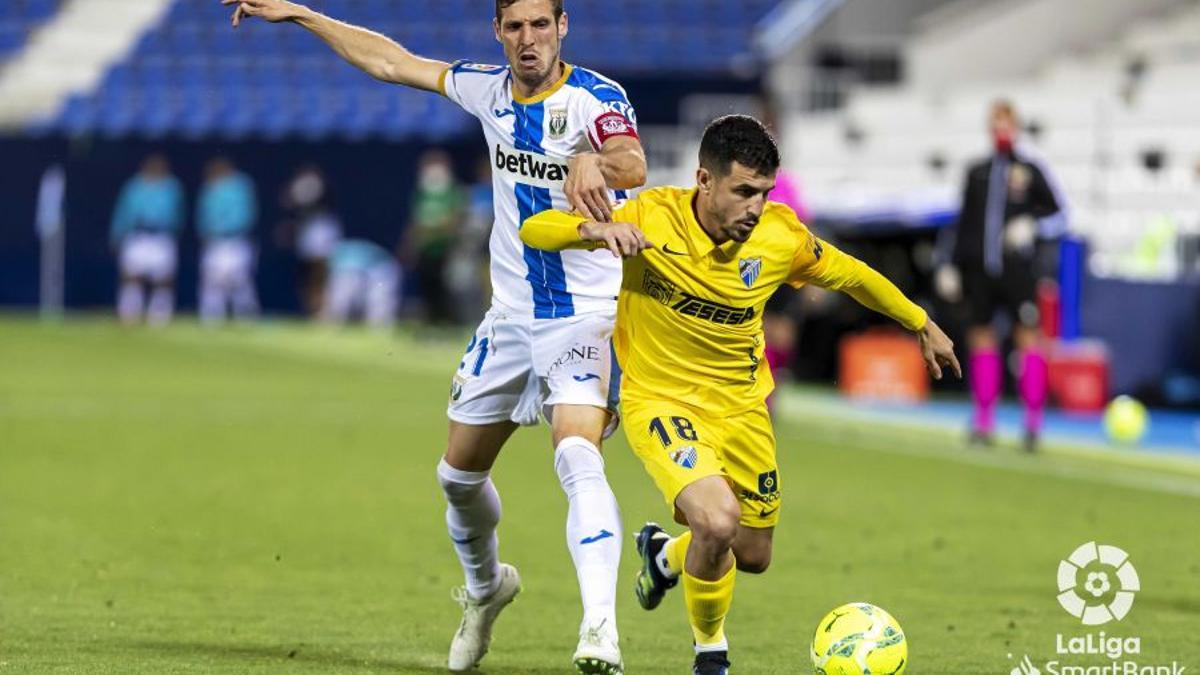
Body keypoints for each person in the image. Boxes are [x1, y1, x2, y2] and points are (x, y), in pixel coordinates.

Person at [222, 1, 647, 672]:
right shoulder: (487, 88)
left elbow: (631, 159)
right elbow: (391, 62)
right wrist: (305, 16)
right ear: (498, 32)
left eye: (541, 25)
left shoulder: (596, 97)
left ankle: (600, 632)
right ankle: (486, 591)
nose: (528, 39)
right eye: (515, 27)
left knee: (577, 456)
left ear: (563, 28)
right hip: (509, 319)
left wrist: (600, 165)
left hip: (585, 316)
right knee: (457, 477)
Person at [520, 115, 959, 675]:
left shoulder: (780, 236)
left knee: (751, 554)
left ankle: (663, 555)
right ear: (705, 180)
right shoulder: (650, 217)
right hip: (663, 401)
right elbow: (535, 230)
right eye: (743, 191)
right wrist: (593, 230)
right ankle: (711, 655)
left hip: (744, 407)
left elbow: (852, 276)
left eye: (764, 193)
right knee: (718, 522)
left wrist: (921, 321)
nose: (755, 207)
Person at [937, 100, 1066, 451]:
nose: (1002, 131)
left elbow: (1059, 215)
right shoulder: (977, 171)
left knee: (1028, 338)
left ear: (1017, 127)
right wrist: (948, 263)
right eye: (996, 124)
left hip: (1018, 271)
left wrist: (1032, 225)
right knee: (981, 337)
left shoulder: (1029, 170)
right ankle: (983, 420)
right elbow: (961, 221)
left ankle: (1033, 424)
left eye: (1007, 124)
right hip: (980, 270)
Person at [109, 154, 185, 326]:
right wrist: (117, 234)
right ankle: (129, 313)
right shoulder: (134, 186)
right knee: (132, 275)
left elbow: (178, 214)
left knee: (163, 278)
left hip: (161, 236)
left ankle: (159, 316)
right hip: (138, 236)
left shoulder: (171, 187)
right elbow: (123, 212)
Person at [196, 157, 260, 324]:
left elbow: (247, 215)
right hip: (216, 241)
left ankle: (246, 317)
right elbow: (204, 217)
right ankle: (211, 317)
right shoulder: (210, 189)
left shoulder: (241, 185)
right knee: (212, 280)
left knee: (240, 280)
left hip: (236, 239)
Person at [404, 149, 464, 325]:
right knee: (427, 285)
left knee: (446, 286)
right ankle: (431, 321)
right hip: (425, 247)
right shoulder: (422, 191)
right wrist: (410, 243)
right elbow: (415, 219)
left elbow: (456, 218)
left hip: (446, 247)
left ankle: (449, 322)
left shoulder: (452, 190)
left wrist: (435, 231)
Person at [280, 164, 342, 317]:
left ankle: (324, 309)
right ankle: (313, 309)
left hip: (321, 232)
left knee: (322, 272)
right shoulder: (302, 209)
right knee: (306, 274)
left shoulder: (323, 202)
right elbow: (288, 202)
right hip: (308, 234)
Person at [321, 238, 401, 328]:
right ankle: (332, 324)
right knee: (342, 298)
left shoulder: (339, 259)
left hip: (383, 268)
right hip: (369, 267)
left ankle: (380, 327)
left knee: (379, 300)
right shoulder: (338, 255)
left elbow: (339, 296)